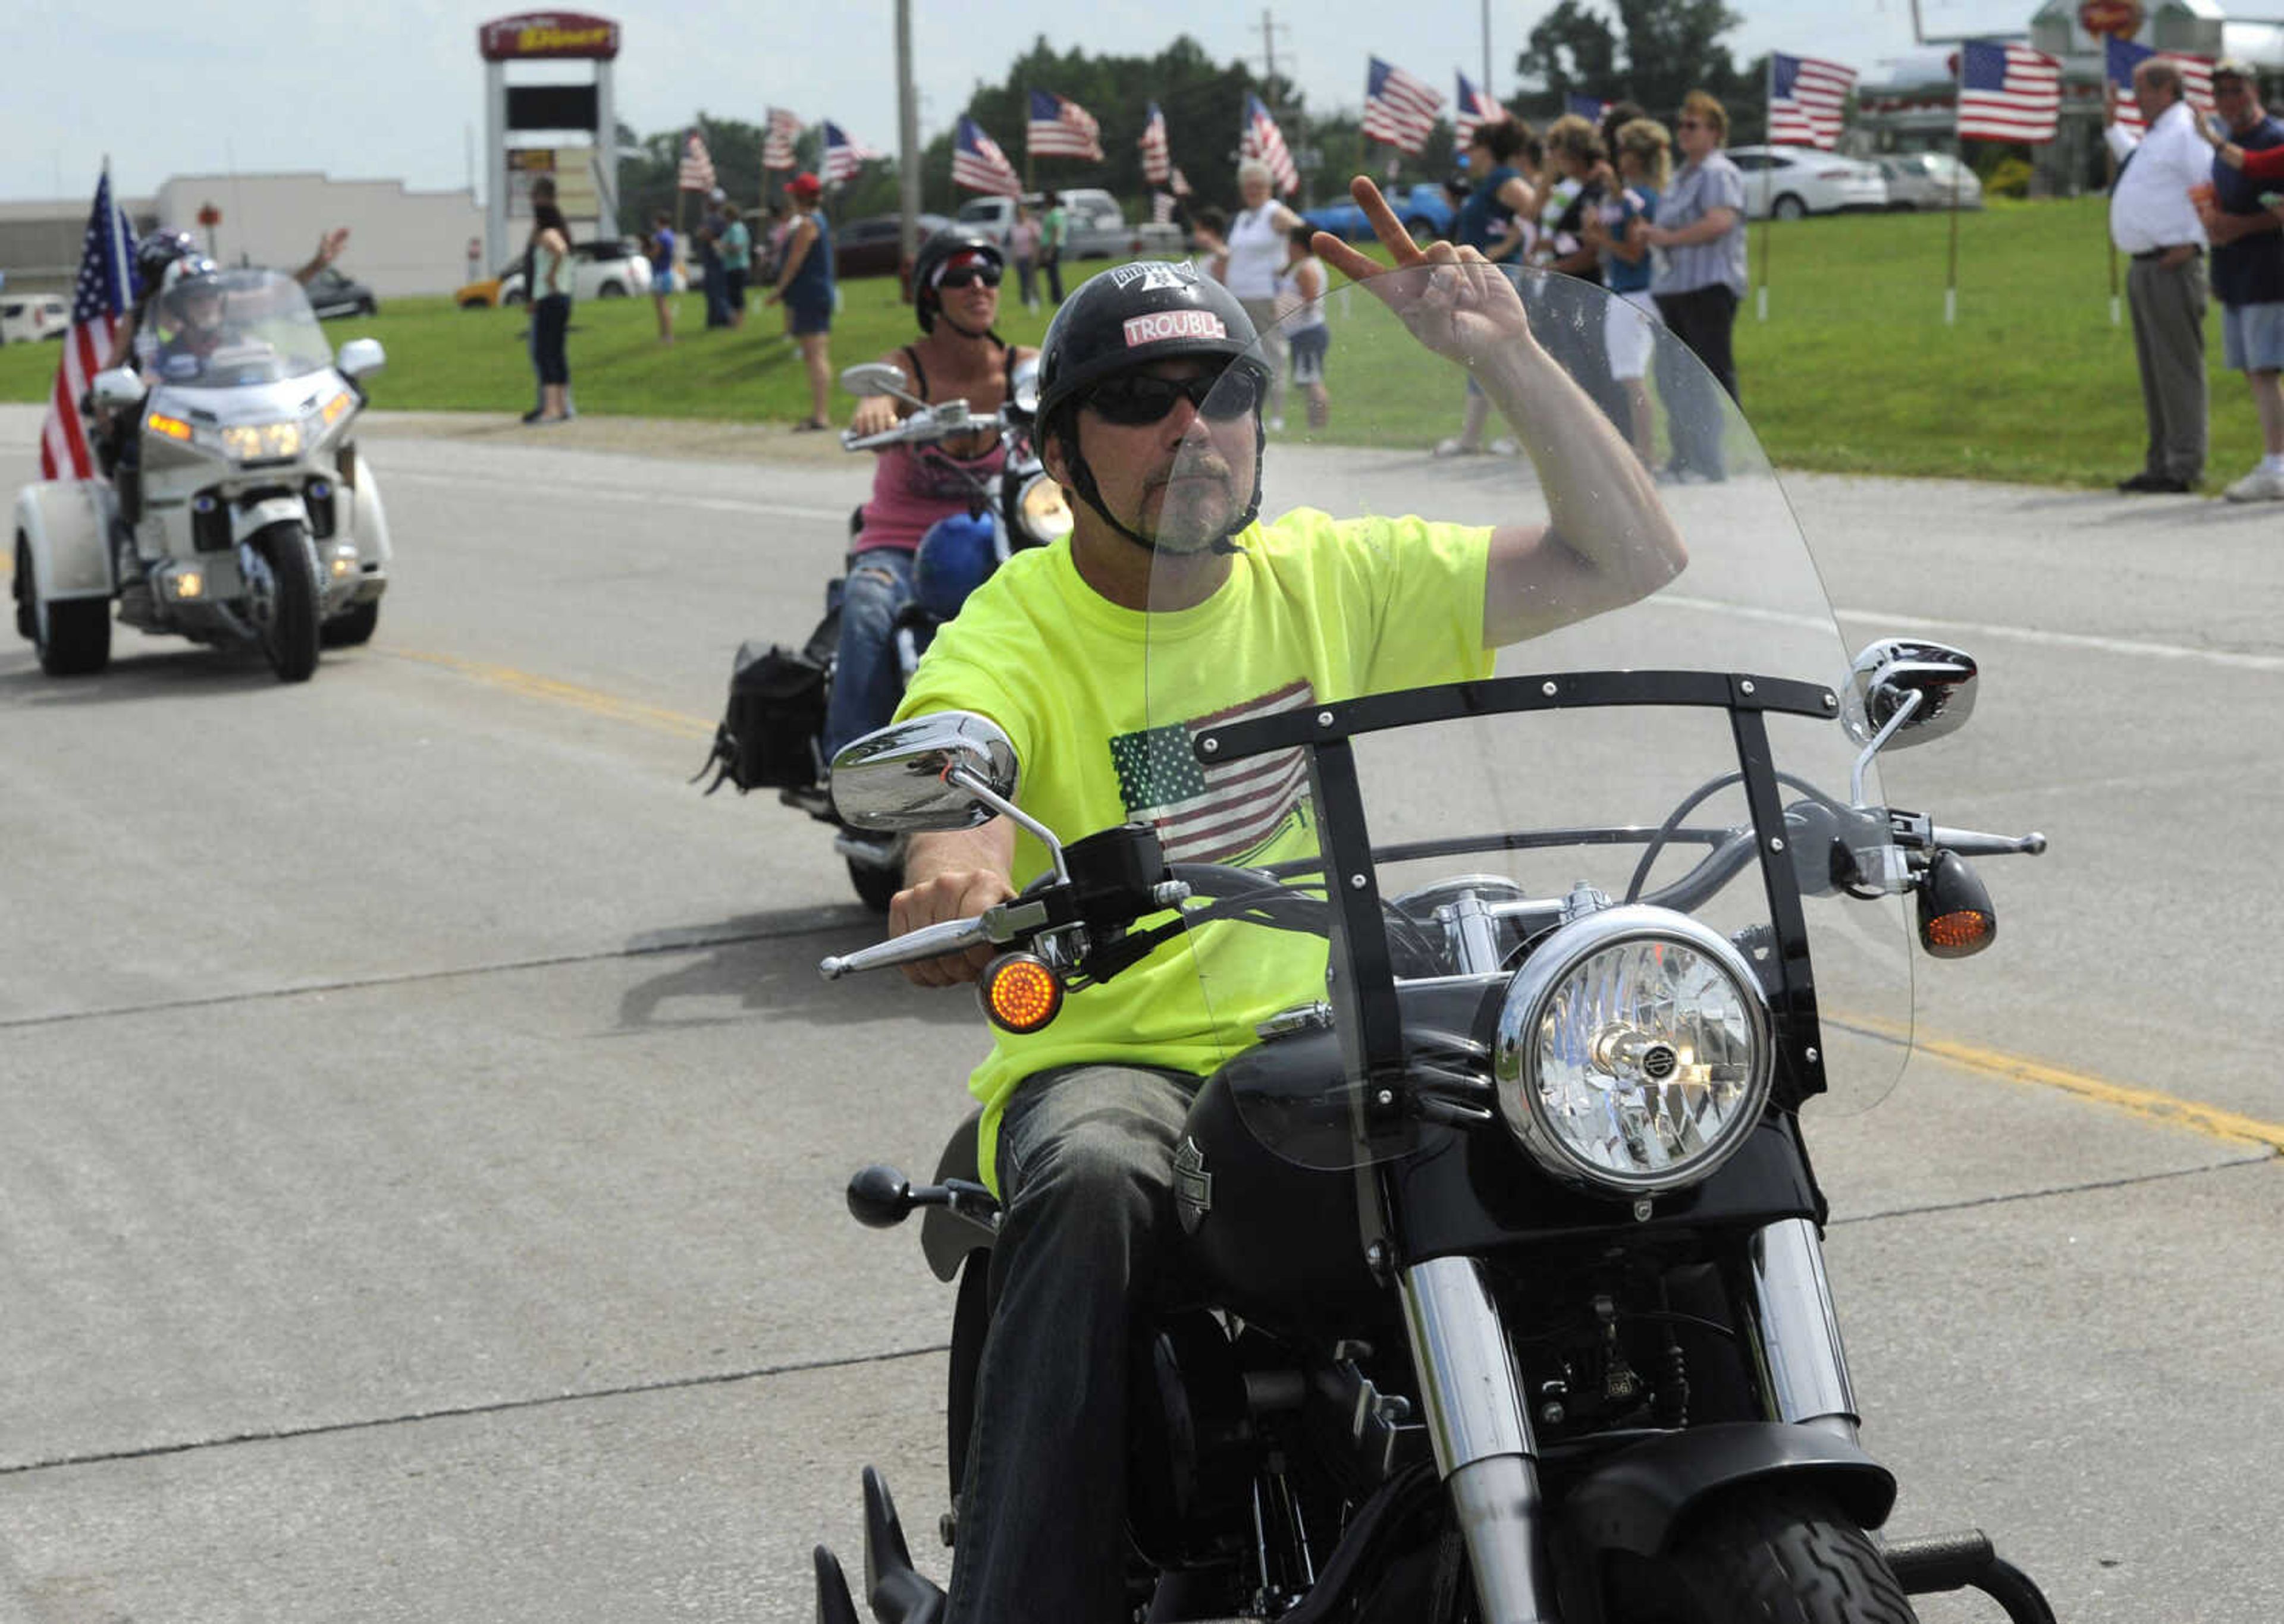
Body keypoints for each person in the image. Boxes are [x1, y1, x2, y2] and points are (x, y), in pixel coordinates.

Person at [879, 178, 1683, 1624]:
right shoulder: (1014, 623)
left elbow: (1627, 559)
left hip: (1346, 1036)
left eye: (1219, 389)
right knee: (1087, 1181)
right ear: (1063, 443)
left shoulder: (1333, 576)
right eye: (1138, 398)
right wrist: (956, 866)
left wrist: (1504, 351)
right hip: (1121, 1062)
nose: (1189, 427)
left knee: (1625, 1135)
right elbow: (963, 777)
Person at [823, 229, 1037, 761]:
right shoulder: (905, 370)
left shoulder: (1022, 368)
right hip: (901, 544)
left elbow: (1060, 388)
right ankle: (853, 768)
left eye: (990, 276)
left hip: (1002, 538)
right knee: (869, 607)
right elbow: (879, 392)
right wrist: (876, 407)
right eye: (961, 277)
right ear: (931, 296)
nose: (979, 287)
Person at [2106, 58, 2212, 493]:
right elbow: (2137, 165)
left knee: (2177, 369)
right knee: (2155, 372)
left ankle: (2183, 464)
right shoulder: (2160, 135)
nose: (2135, 99)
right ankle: (2162, 460)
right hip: (2146, 266)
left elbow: (2212, 183)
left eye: (2141, 89)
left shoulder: (2186, 131)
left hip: (2172, 265)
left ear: (2166, 88)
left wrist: (2193, 240)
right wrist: (2113, 127)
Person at [1642, 90, 1746, 482]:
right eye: (1681, 124)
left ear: (1715, 132)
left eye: (1693, 125)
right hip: (1675, 288)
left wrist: (1668, 238)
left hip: (1707, 286)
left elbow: (1720, 222)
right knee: (1674, 376)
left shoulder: (1718, 172)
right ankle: (1684, 457)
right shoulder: (1681, 177)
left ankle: (1714, 461)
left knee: (1709, 376)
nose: (1683, 131)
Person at [2205, 66, 2284, 500]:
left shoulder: (2273, 139)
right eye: (2221, 93)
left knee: (2264, 368)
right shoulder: (2223, 143)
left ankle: (2276, 465)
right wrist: (2216, 226)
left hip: (2269, 269)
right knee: (2253, 371)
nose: (2230, 100)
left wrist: (2241, 226)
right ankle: (2275, 461)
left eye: (2237, 90)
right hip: (2234, 269)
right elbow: (2227, 195)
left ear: (2254, 91)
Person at [1439, 117, 1539, 456]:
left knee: (1501, 356)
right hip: (1478, 280)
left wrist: (1503, 247)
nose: (1470, 155)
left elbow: (1532, 206)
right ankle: (1472, 437)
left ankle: (1519, 437)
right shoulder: (1489, 183)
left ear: (1488, 149)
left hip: (1497, 278)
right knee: (1479, 356)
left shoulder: (1503, 178)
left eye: (1474, 148)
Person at [1583, 117, 1671, 469]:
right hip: (1633, 290)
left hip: (1635, 292)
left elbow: (1635, 253)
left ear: (1638, 156)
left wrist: (1602, 240)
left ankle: (1646, 450)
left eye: (1624, 150)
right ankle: (1645, 447)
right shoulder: (1635, 196)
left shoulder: (1643, 198)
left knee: (1631, 376)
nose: (1619, 156)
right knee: (1634, 376)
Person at [1216, 159, 1307, 431]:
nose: (1253, 190)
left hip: (1264, 295)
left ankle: (1276, 413)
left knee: (1271, 352)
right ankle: (1245, 411)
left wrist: (1288, 269)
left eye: (1258, 185)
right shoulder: (1243, 218)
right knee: (1240, 353)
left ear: (1269, 187)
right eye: (1248, 186)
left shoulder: (1274, 212)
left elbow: (1304, 235)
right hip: (1237, 295)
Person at [765, 171, 836, 431]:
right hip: (814, 293)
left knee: (816, 354)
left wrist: (779, 290)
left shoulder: (808, 224)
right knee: (812, 354)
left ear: (800, 197)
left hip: (811, 294)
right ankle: (819, 413)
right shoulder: (817, 220)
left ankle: (821, 415)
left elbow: (795, 262)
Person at [1275, 222, 1331, 430]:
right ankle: (1313, 425)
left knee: (1313, 380)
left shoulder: (1307, 268)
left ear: (1297, 245)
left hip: (1308, 332)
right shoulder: (1299, 266)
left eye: (1289, 242)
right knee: (1307, 380)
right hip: (1300, 334)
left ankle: (1318, 426)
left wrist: (1287, 306)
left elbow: (1310, 300)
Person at [526, 199, 574, 424]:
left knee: (545, 354)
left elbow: (560, 251)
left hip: (550, 298)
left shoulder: (548, 234)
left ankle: (551, 408)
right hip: (559, 298)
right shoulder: (560, 232)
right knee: (557, 352)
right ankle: (563, 407)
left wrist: (551, 276)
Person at [647, 210, 677, 344]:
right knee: (662, 305)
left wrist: (646, 251)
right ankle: (664, 335)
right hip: (667, 271)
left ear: (659, 222)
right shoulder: (670, 235)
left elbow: (654, 255)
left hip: (660, 273)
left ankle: (667, 336)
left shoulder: (661, 237)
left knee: (662, 306)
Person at [719, 202, 752, 328]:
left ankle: (739, 323)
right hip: (732, 266)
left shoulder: (736, 228)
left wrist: (723, 246)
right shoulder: (733, 228)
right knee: (732, 295)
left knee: (737, 295)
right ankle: (734, 321)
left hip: (737, 266)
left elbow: (738, 247)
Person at [1008, 202, 1041, 311]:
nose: (1020, 214)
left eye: (1021, 212)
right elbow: (1014, 245)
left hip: (1030, 256)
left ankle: (1036, 300)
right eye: (1018, 213)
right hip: (1020, 257)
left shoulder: (1031, 225)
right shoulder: (1014, 227)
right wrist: (1014, 259)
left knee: (1032, 280)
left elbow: (1036, 241)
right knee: (1022, 281)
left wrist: (1036, 256)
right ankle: (1025, 301)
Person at [1039, 191, 1069, 306]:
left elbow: (1056, 232)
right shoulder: (1050, 213)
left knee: (1054, 274)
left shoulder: (1055, 214)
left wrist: (1050, 251)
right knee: (1051, 274)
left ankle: (1058, 297)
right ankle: (1054, 297)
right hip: (1049, 246)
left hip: (1053, 247)